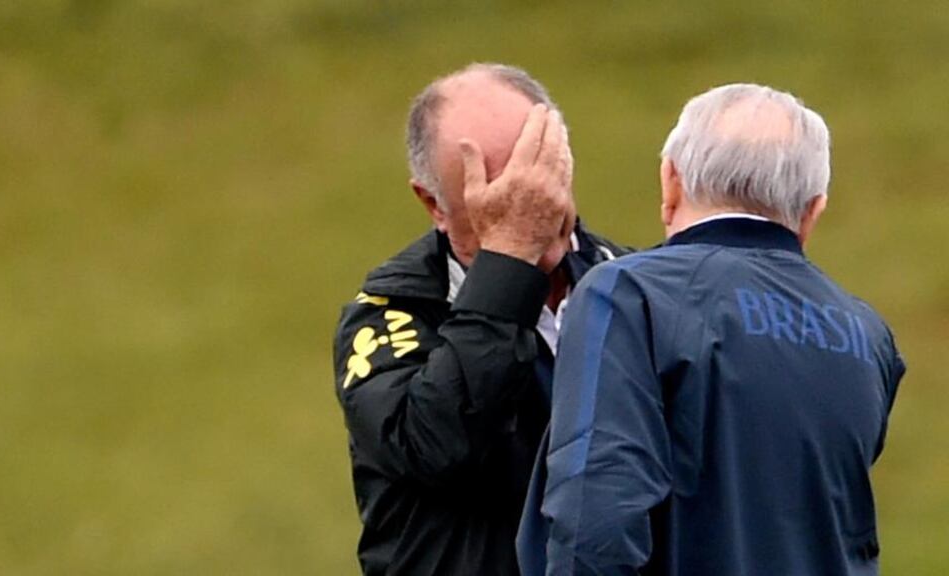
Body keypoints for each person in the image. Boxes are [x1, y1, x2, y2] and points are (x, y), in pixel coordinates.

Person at [520, 83, 906, 575]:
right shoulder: (869, 336)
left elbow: (597, 517)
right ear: (813, 211)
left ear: (671, 181)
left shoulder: (628, 292)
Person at [332, 63, 630, 575]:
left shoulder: (631, 286)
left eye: (534, 172)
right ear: (434, 204)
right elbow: (438, 446)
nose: (526, 202)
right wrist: (510, 261)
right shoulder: (389, 315)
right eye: (493, 187)